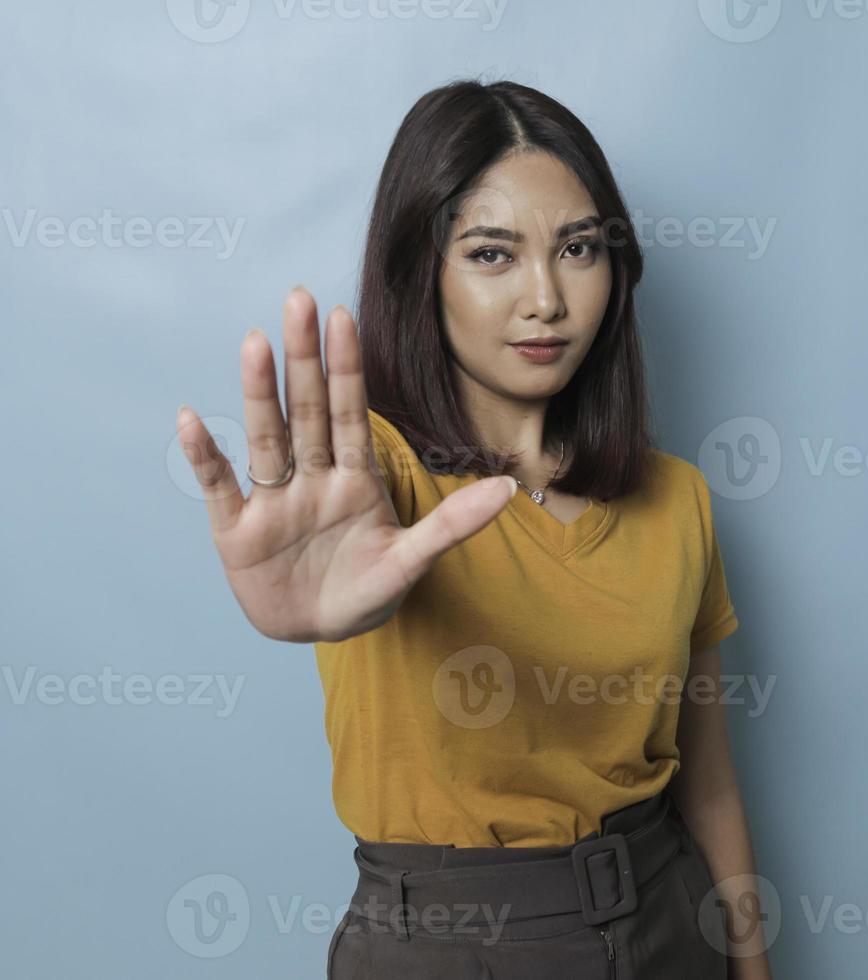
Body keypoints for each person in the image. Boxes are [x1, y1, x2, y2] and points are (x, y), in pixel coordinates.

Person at [176, 78, 773, 980]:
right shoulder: (371, 477)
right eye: (492, 255)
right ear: (425, 271)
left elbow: (711, 781)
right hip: (454, 947)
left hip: (667, 921)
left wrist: (751, 966)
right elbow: (340, 512)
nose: (546, 299)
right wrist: (307, 582)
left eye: (578, 248)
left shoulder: (676, 498)